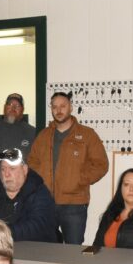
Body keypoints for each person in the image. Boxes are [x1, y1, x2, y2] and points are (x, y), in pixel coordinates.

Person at [27, 92, 108, 245]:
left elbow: (101, 164)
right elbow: (32, 162)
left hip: (74, 204)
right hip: (45, 203)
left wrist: (79, 179)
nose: (59, 110)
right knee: (45, 247)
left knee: (73, 249)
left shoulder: (87, 135)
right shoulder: (43, 136)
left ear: (71, 107)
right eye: (55, 107)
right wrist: (40, 183)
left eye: (63, 106)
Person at [0, 147, 56, 242]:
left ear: (24, 170)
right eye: (3, 169)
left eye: (12, 168)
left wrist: (0, 233)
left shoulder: (39, 192)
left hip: (36, 247)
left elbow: (37, 226)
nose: (6, 174)